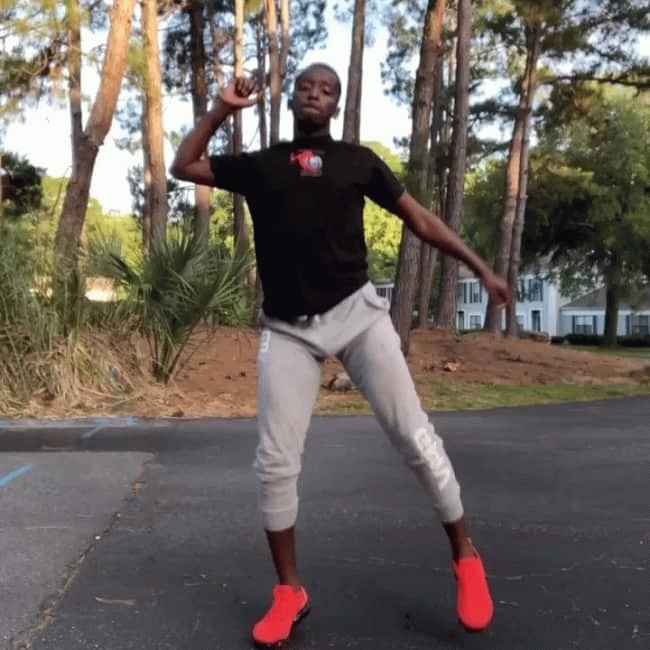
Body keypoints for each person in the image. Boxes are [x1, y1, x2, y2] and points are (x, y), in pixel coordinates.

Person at [170, 62, 511, 649]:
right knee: (275, 462)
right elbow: (183, 165)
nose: (315, 93)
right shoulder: (262, 166)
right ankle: (289, 592)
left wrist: (480, 267)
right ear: (291, 99)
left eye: (327, 89)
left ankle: (465, 555)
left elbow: (420, 220)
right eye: (306, 86)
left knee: (415, 438)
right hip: (288, 329)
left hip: (358, 317)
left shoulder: (359, 162)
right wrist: (224, 107)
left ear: (337, 105)